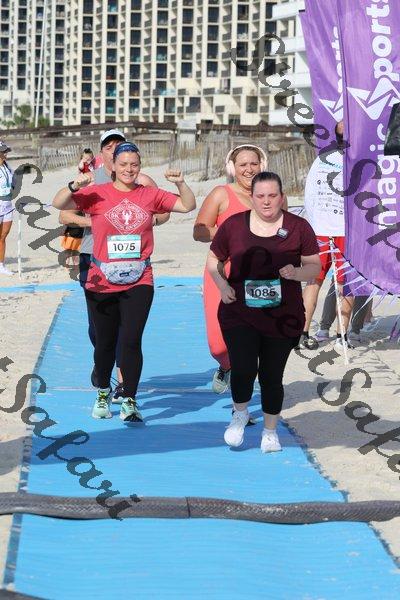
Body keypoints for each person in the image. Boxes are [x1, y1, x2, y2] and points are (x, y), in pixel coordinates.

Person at [53, 142, 196, 422]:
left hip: (139, 279)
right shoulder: (97, 193)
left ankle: (130, 398)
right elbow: (59, 205)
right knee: (105, 342)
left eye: (134, 164)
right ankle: (103, 392)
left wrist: (181, 183)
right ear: (114, 167)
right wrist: (75, 185)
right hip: (101, 280)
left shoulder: (150, 194)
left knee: (131, 341)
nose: (129, 169)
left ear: (139, 167)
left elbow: (187, 205)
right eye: (124, 164)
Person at [206, 172, 321, 452]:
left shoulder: (298, 227)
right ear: (252, 198)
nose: (266, 202)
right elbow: (213, 260)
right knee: (244, 367)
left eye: (272, 196)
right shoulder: (234, 225)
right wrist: (222, 285)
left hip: (283, 317)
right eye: (260, 196)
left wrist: (296, 272)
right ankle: (240, 414)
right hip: (239, 311)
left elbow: (314, 266)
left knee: (271, 375)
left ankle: (270, 432)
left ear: (282, 197)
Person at [59, 129, 169, 392]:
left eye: (118, 145)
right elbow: (64, 215)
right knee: (98, 328)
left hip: (133, 261)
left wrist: (151, 220)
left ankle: (122, 381)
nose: (114, 150)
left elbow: (164, 212)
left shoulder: (142, 180)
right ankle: (102, 363)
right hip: (93, 256)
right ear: (102, 153)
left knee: (128, 327)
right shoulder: (91, 181)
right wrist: (96, 222)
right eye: (108, 147)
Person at [193, 145, 269, 394]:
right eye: (243, 164)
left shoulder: (272, 194)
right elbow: (199, 231)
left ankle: (242, 402)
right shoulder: (221, 194)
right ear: (232, 168)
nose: (249, 169)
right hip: (221, 275)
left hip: (259, 278)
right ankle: (226, 366)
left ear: (262, 165)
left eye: (254, 163)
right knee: (218, 345)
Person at [302, 121, 354, 351]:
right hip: (343, 232)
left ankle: (304, 333)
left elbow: (308, 195)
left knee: (315, 282)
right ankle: (341, 336)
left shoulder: (321, 160)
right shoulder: (358, 160)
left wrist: (314, 225)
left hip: (322, 230)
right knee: (345, 284)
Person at [0, 140, 14, 276]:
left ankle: (1, 265)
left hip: (8, 204)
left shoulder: (8, 166)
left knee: (3, 236)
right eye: (3, 151)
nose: (6, 153)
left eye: (6, 151)